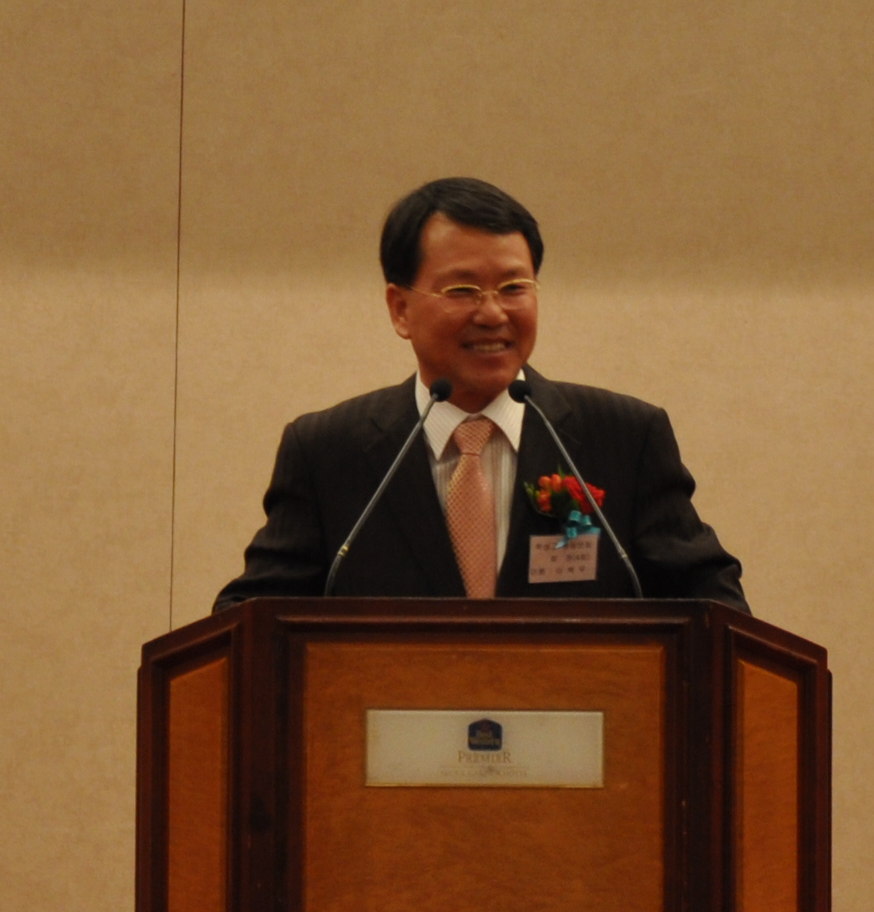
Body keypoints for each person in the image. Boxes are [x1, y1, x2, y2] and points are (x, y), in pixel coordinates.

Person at [218, 177, 745, 611]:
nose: (493, 313)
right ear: (400, 309)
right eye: (463, 290)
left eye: (514, 288)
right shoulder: (328, 452)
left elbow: (714, 607)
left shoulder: (624, 438)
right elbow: (250, 618)